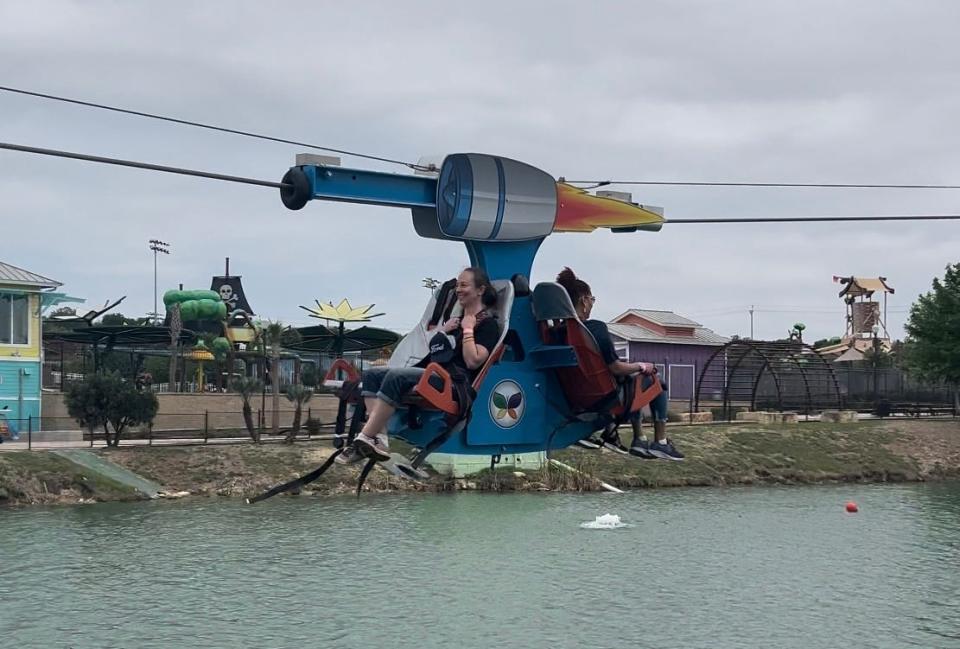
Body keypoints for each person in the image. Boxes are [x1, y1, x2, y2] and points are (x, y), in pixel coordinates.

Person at [337, 266, 501, 463]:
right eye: (457, 285)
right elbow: (434, 351)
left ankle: (363, 439)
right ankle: (379, 438)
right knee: (372, 375)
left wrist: (468, 330)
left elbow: (473, 361)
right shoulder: (454, 323)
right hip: (433, 372)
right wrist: (443, 330)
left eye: (464, 285)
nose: (458, 290)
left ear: (480, 290)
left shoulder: (488, 325)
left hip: (453, 383)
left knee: (396, 377)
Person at [556, 268, 683, 461]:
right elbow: (615, 367)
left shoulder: (556, 332)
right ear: (583, 300)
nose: (592, 304)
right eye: (592, 299)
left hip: (574, 399)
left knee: (633, 380)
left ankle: (636, 438)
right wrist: (641, 365)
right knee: (656, 380)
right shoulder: (595, 329)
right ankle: (660, 442)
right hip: (603, 399)